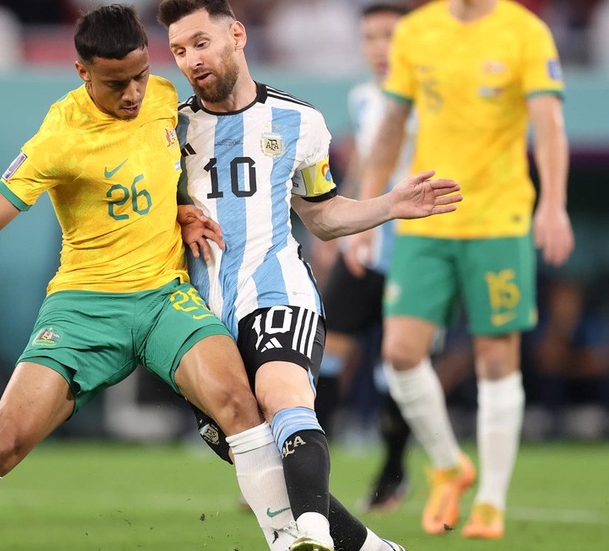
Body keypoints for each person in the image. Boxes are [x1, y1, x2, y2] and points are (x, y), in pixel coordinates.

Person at [0, 5, 301, 551]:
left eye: (140, 75)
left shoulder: (164, 98)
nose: (133, 93)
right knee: (3, 443)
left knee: (239, 406)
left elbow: (171, 170)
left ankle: (290, 543)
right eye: (116, 84)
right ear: (83, 72)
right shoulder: (58, 137)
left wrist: (182, 207)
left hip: (165, 298)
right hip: (85, 307)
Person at [156, 1, 461, 550]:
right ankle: (372, 547)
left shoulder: (299, 121)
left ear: (237, 34)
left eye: (201, 43)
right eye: (179, 50)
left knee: (285, 399)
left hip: (278, 291)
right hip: (198, 313)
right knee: (246, 443)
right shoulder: (169, 129)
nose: (191, 59)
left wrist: (389, 205)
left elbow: (320, 215)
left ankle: (310, 536)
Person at [346, 0, 575, 540]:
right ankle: (450, 465)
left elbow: (549, 124)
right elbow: (391, 127)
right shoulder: (417, 31)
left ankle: (491, 501)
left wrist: (553, 203)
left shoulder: (524, 32)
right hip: (427, 219)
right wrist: (369, 211)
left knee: (496, 357)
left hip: (499, 219)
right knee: (400, 353)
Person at [314, 1, 416, 513]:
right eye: (370, 37)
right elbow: (364, 166)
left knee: (398, 363)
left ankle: (393, 477)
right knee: (328, 351)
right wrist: (337, 229)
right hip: (366, 246)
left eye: (390, 36)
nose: (380, 48)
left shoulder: (431, 97)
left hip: (419, 248)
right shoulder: (363, 98)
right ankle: (305, 474)